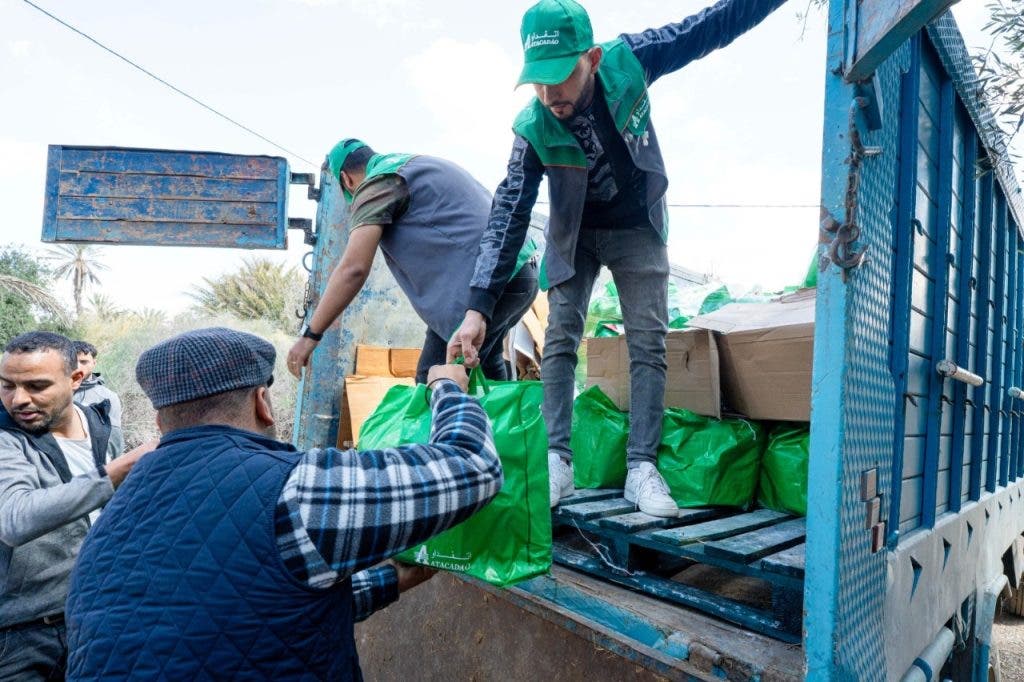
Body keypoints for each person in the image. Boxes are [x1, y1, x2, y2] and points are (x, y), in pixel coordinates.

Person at [449, 0, 788, 516]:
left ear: (592, 58)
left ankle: (641, 468)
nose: (549, 94)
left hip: (637, 226)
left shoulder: (630, 60)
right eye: (537, 81)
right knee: (561, 339)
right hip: (575, 234)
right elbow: (507, 215)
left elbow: (710, 27)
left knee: (648, 345)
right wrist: (477, 308)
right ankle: (557, 460)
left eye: (559, 77)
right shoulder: (532, 126)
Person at [66, 327, 502, 680]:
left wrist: (392, 581)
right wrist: (447, 389)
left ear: (162, 420)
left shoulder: (112, 518)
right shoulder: (292, 487)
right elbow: (471, 466)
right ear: (263, 402)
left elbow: (237, 609)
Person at [287, 139, 539, 383]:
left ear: (346, 179)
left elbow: (353, 269)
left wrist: (311, 335)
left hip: (485, 285)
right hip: (522, 273)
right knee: (487, 363)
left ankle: (456, 426)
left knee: (434, 378)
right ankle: (496, 426)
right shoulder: (414, 165)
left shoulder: (376, 184)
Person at [0, 332, 149, 681]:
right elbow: (13, 518)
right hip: (20, 634)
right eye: (7, 385)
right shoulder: (5, 438)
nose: (18, 399)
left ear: (76, 379)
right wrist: (114, 473)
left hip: (93, 619)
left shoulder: (101, 424)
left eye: (36, 385)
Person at [72, 341, 123, 429]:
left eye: (83, 362)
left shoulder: (108, 397)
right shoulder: (52, 391)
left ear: (94, 363)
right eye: (73, 361)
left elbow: (113, 437)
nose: (78, 367)